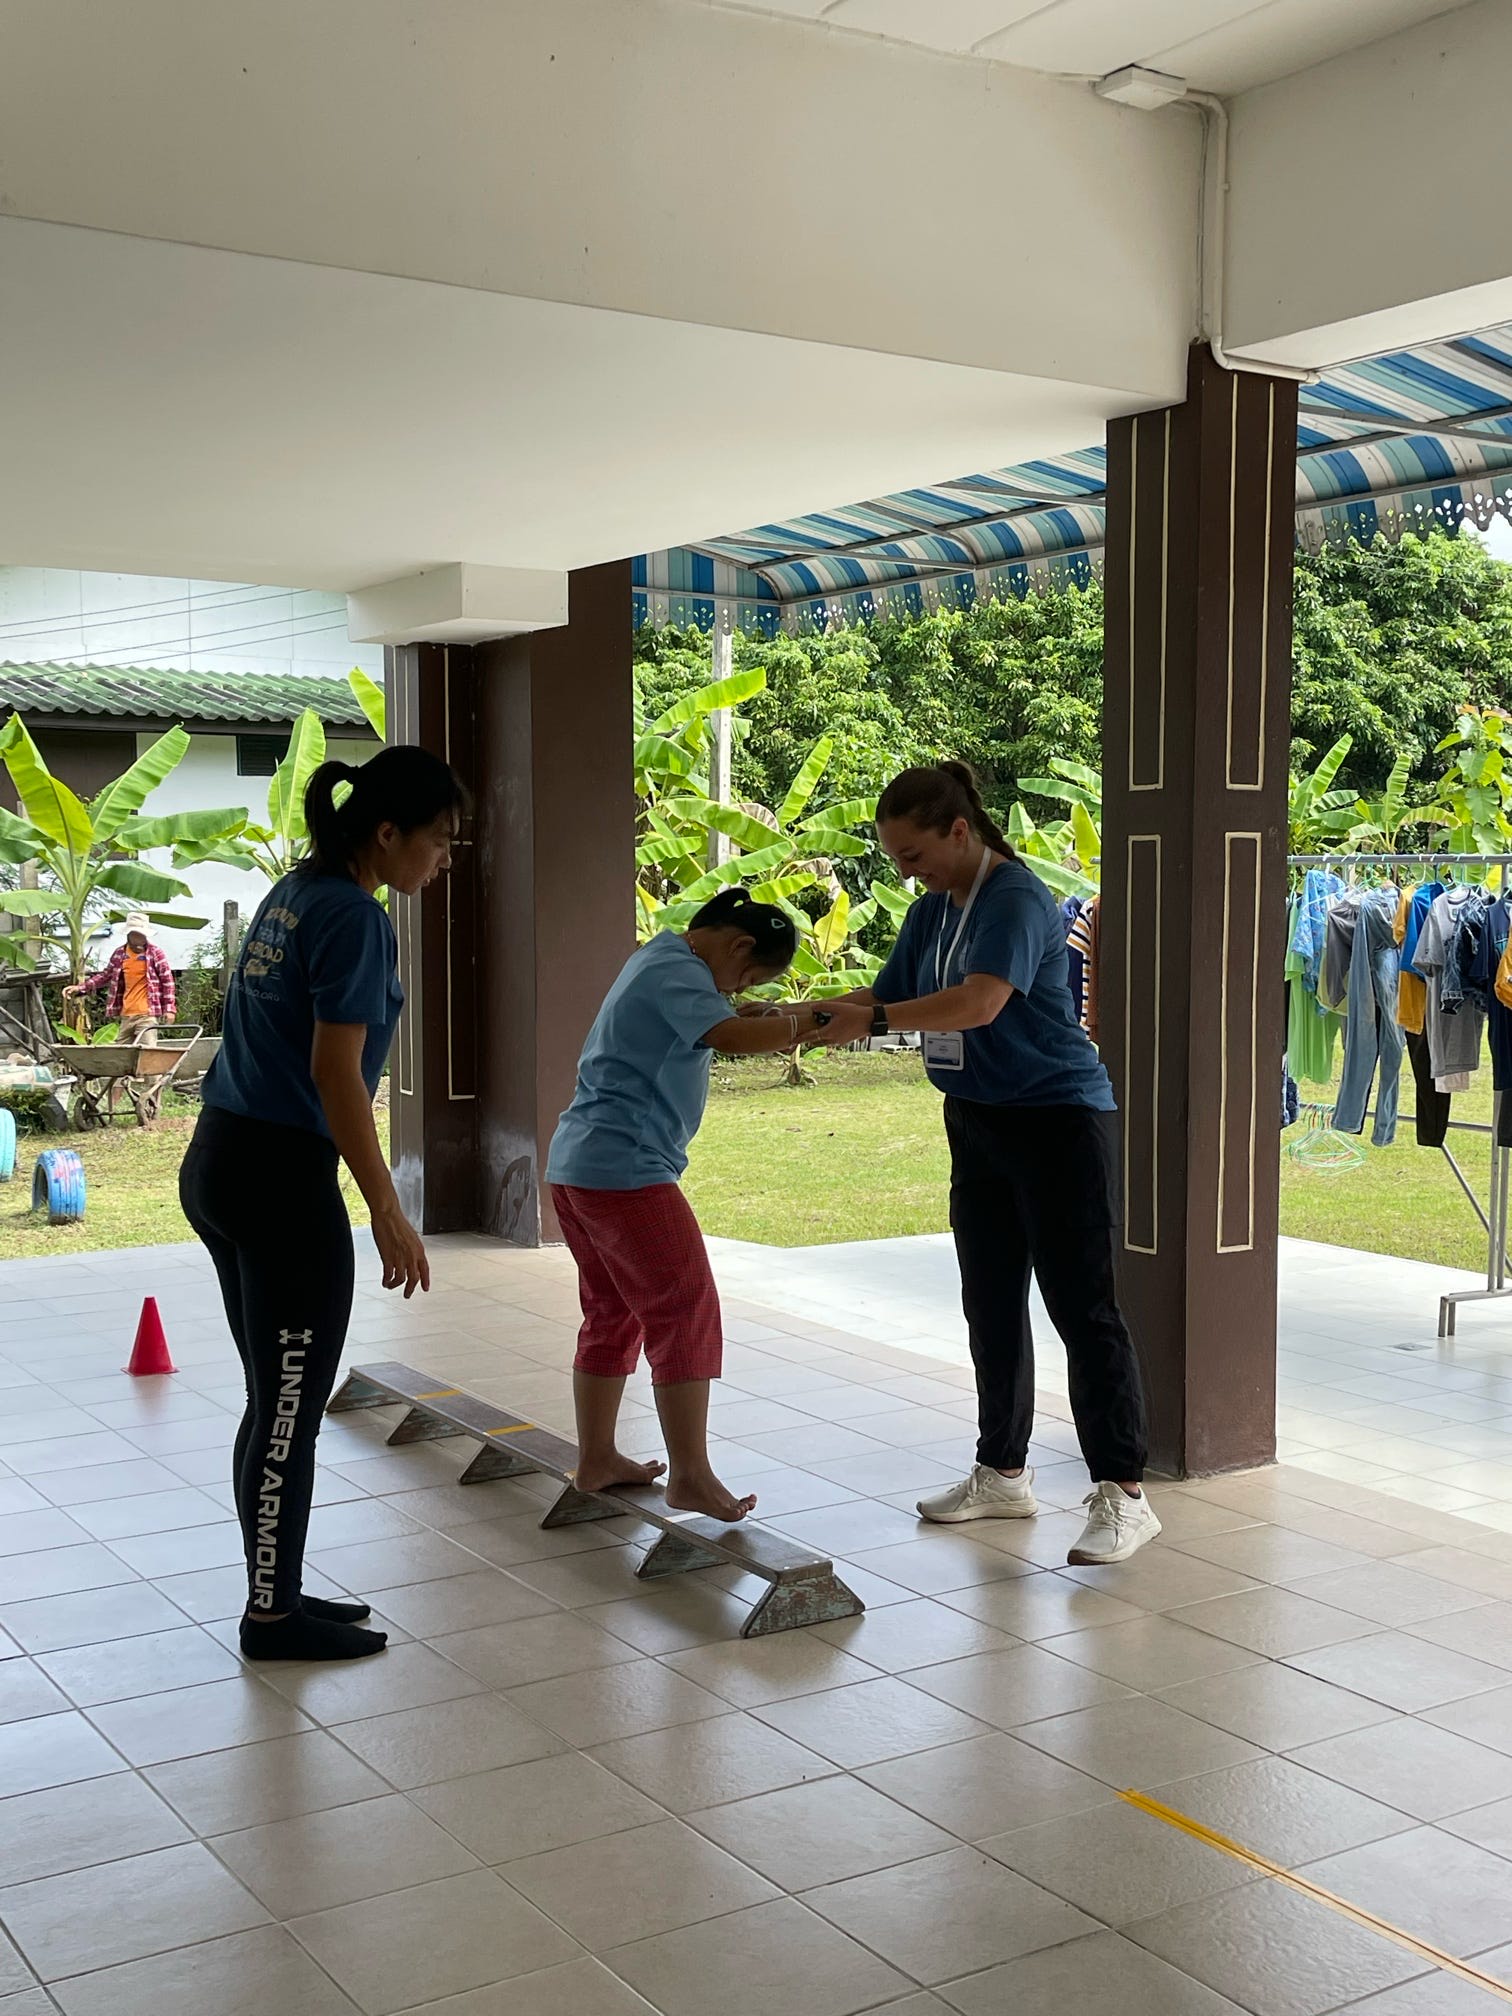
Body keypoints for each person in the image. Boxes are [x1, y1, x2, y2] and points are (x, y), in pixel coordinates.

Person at [821, 762, 1159, 1566]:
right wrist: (811, 1011)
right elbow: (890, 994)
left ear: (959, 831)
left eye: (913, 854)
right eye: (896, 859)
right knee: (991, 1301)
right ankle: (1002, 1472)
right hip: (976, 1119)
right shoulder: (935, 910)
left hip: (1056, 1121)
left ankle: (1124, 1493)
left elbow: (977, 1004)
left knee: (1083, 1310)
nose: (907, 871)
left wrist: (865, 1020)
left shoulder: (1016, 898)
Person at [179, 746, 462, 1661]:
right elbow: (336, 1073)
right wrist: (384, 1205)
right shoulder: (353, 916)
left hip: (221, 1159)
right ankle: (271, 1618)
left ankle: (280, 1590)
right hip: (279, 1182)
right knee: (289, 1411)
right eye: (439, 840)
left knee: (274, 1402)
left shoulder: (295, 891)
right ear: (387, 834)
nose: (444, 858)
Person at [547, 888, 848, 1522]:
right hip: (627, 1171)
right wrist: (811, 1023)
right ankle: (690, 1475)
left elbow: (723, 1015)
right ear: (738, 946)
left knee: (612, 1313)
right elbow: (731, 1036)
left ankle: (597, 1458)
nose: (740, 989)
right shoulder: (680, 971)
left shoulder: (659, 955)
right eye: (747, 976)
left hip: (578, 1166)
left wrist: (779, 1009)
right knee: (684, 1308)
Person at [65, 911, 175, 1043]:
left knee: (147, 1051)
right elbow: (105, 976)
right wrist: (80, 987)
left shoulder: (155, 953)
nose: (140, 938)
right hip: (126, 1014)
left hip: (147, 1014)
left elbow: (167, 981)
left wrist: (170, 1009)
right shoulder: (120, 954)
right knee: (121, 1053)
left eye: (142, 935)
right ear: (130, 935)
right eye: (137, 935)